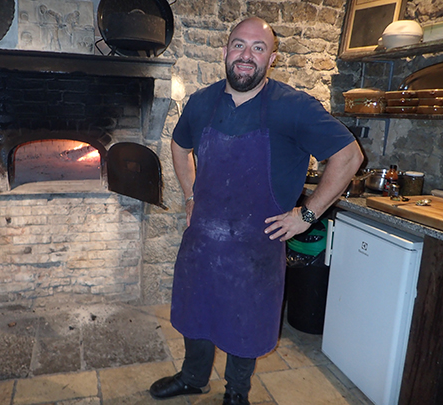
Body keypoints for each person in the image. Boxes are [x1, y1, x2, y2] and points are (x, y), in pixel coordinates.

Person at [149, 17, 363, 405]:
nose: (246, 55)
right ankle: (194, 377)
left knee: (246, 322)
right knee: (194, 310)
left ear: (272, 58)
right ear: (226, 51)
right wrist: (190, 196)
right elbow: (180, 147)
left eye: (258, 48)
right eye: (239, 45)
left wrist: (307, 215)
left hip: (256, 245)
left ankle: (236, 392)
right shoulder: (201, 102)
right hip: (203, 240)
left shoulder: (295, 108)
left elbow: (349, 157)